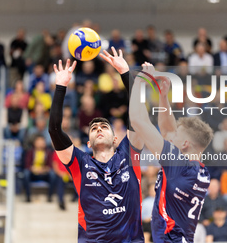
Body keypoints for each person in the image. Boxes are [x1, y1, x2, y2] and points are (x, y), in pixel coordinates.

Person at [49, 49, 144, 242]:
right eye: (94, 128)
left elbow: (140, 117)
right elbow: (55, 131)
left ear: (116, 138)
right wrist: (61, 86)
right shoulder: (80, 163)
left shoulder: (129, 154)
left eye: (104, 126)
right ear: (88, 142)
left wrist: (125, 72)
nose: (99, 128)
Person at [129, 62, 214, 243]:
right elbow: (168, 131)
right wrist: (163, 97)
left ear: (184, 144)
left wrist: (140, 80)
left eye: (177, 134)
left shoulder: (178, 164)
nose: (169, 136)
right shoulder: (201, 171)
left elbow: (136, 120)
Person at [23, 135, 56, 202]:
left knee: (52, 174)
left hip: (44, 174)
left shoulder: (48, 152)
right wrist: (33, 169)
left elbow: (50, 166)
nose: (41, 143)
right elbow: (27, 165)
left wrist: (43, 170)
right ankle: (28, 196)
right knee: (26, 173)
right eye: (39, 142)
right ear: (35, 143)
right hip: (33, 174)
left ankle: (50, 197)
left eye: (42, 141)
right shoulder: (30, 152)